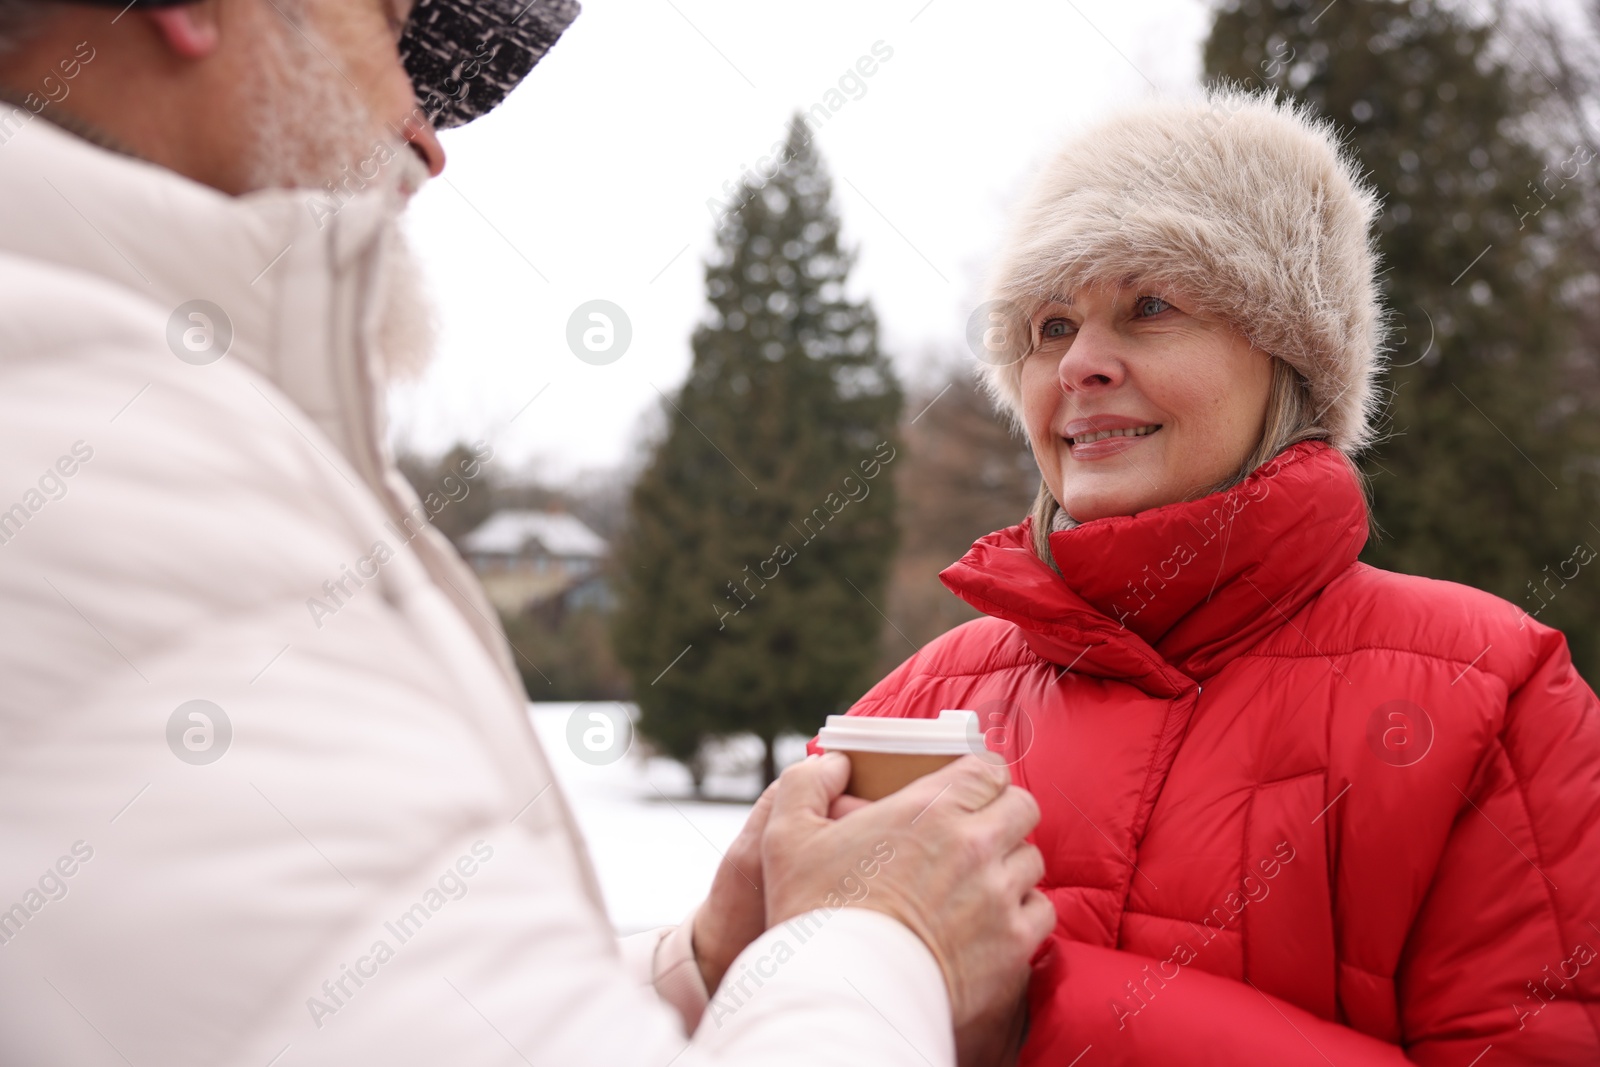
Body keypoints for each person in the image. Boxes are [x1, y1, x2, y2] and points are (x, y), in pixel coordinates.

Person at [0, 1, 1055, 1064]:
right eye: (391, 26)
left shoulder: (177, 428)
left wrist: (708, 958)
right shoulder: (120, 467)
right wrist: (884, 935)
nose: (425, 139)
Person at [830, 87, 1600, 1064]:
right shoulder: (925, 697)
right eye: (1050, 326)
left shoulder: (1491, 691)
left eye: (1149, 306)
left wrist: (1043, 1012)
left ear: (1290, 359)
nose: (1079, 365)